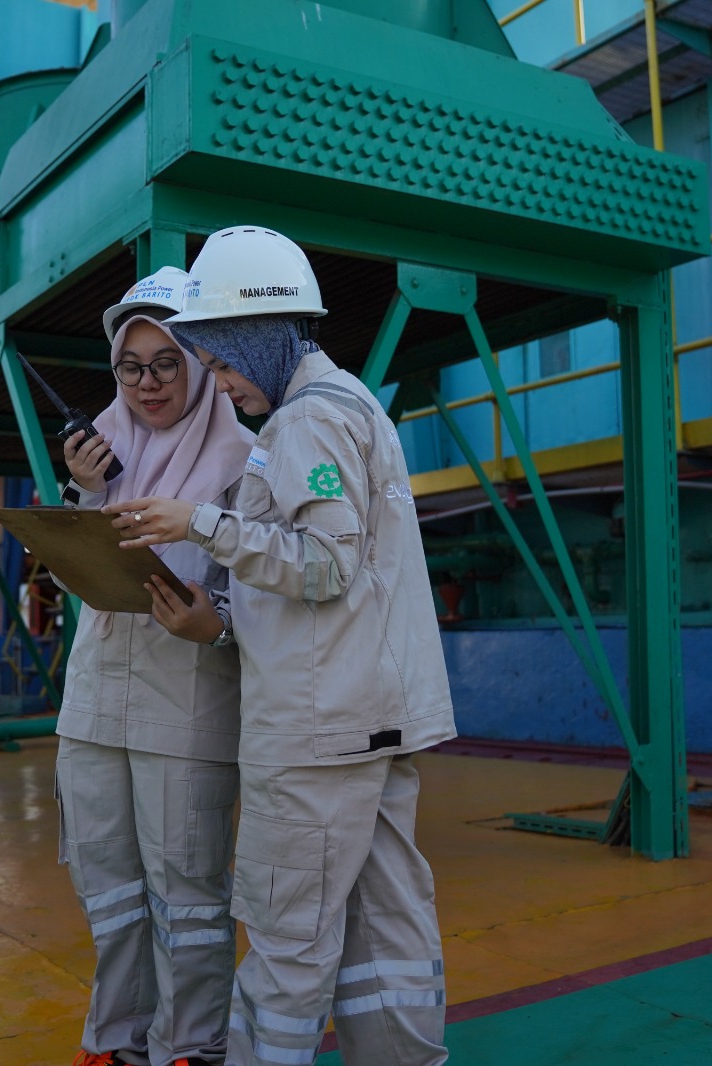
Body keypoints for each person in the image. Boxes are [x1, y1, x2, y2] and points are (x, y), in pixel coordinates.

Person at [110, 226, 455, 1066]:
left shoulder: (307, 423)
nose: (222, 386)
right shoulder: (352, 406)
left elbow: (325, 564)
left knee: (285, 937)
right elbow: (337, 576)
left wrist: (200, 524)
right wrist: (221, 619)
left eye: (220, 364)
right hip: (365, 720)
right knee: (385, 932)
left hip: (312, 733)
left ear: (258, 333)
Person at [55, 267, 255, 1066]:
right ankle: (114, 1043)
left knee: (188, 897)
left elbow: (270, 594)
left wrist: (217, 625)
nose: (147, 383)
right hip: (95, 706)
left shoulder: (246, 463)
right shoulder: (102, 460)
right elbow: (75, 577)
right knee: (107, 889)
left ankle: (190, 1048)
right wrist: (82, 495)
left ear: (200, 363)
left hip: (187, 707)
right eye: (131, 366)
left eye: (167, 362)